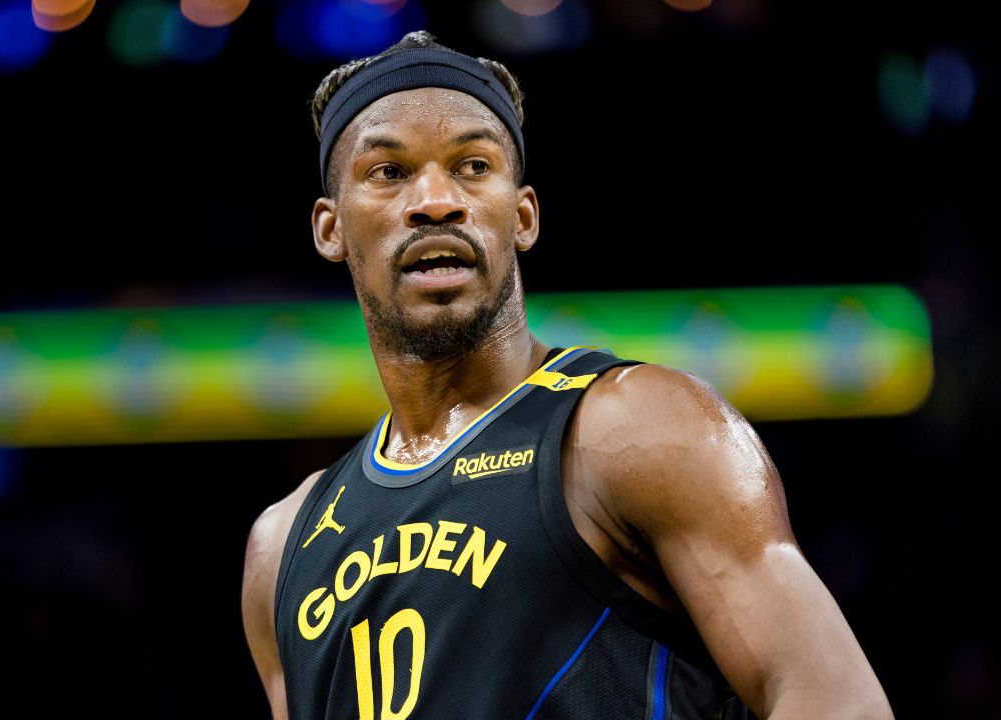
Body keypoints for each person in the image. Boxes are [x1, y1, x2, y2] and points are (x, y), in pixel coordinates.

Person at [241, 31, 893, 720]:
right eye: (389, 173)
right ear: (329, 228)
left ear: (521, 216)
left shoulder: (637, 428)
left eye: (472, 166)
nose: (436, 201)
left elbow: (836, 702)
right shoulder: (282, 547)